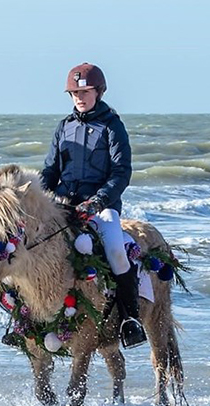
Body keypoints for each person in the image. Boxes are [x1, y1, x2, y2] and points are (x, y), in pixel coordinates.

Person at [40, 62, 147, 348]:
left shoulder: (112, 126)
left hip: (101, 206)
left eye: (85, 92)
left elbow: (121, 172)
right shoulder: (64, 127)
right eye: (75, 93)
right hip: (63, 205)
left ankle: (130, 320)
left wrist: (98, 200)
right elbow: (50, 171)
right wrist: (38, 196)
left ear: (98, 92)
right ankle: (27, 321)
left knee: (116, 252)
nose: (79, 97)